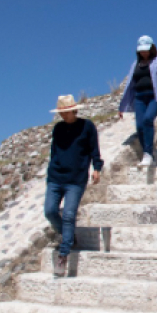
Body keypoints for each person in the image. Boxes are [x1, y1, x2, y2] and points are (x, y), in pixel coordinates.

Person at [45, 94, 103, 277]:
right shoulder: (58, 129)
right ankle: (69, 237)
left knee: (69, 214)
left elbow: (94, 149)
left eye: (65, 112)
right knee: (50, 211)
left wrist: (97, 168)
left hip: (76, 180)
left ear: (73, 111)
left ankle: (63, 255)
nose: (62, 115)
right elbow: (54, 151)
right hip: (56, 178)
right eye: (60, 112)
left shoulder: (87, 127)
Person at [118, 35, 157, 167]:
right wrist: (122, 106)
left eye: (146, 49)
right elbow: (130, 85)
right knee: (140, 126)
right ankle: (148, 154)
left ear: (152, 48)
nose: (144, 52)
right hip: (139, 97)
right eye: (141, 50)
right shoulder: (136, 64)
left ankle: (148, 154)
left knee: (147, 119)